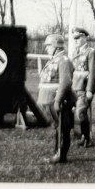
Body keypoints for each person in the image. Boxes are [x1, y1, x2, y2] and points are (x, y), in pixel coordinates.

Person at [37, 32, 76, 164]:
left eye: (49, 46)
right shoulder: (54, 60)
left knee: (63, 128)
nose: (47, 49)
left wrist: (58, 100)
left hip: (60, 100)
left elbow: (65, 82)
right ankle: (57, 153)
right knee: (58, 127)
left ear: (56, 46)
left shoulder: (63, 60)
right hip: (52, 100)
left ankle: (60, 155)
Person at [71, 27, 95, 147]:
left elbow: (93, 73)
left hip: (84, 89)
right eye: (74, 38)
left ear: (84, 37)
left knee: (80, 112)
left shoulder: (91, 52)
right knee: (76, 113)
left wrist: (90, 90)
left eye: (78, 38)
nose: (76, 40)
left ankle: (87, 138)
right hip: (74, 88)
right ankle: (83, 136)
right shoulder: (75, 52)